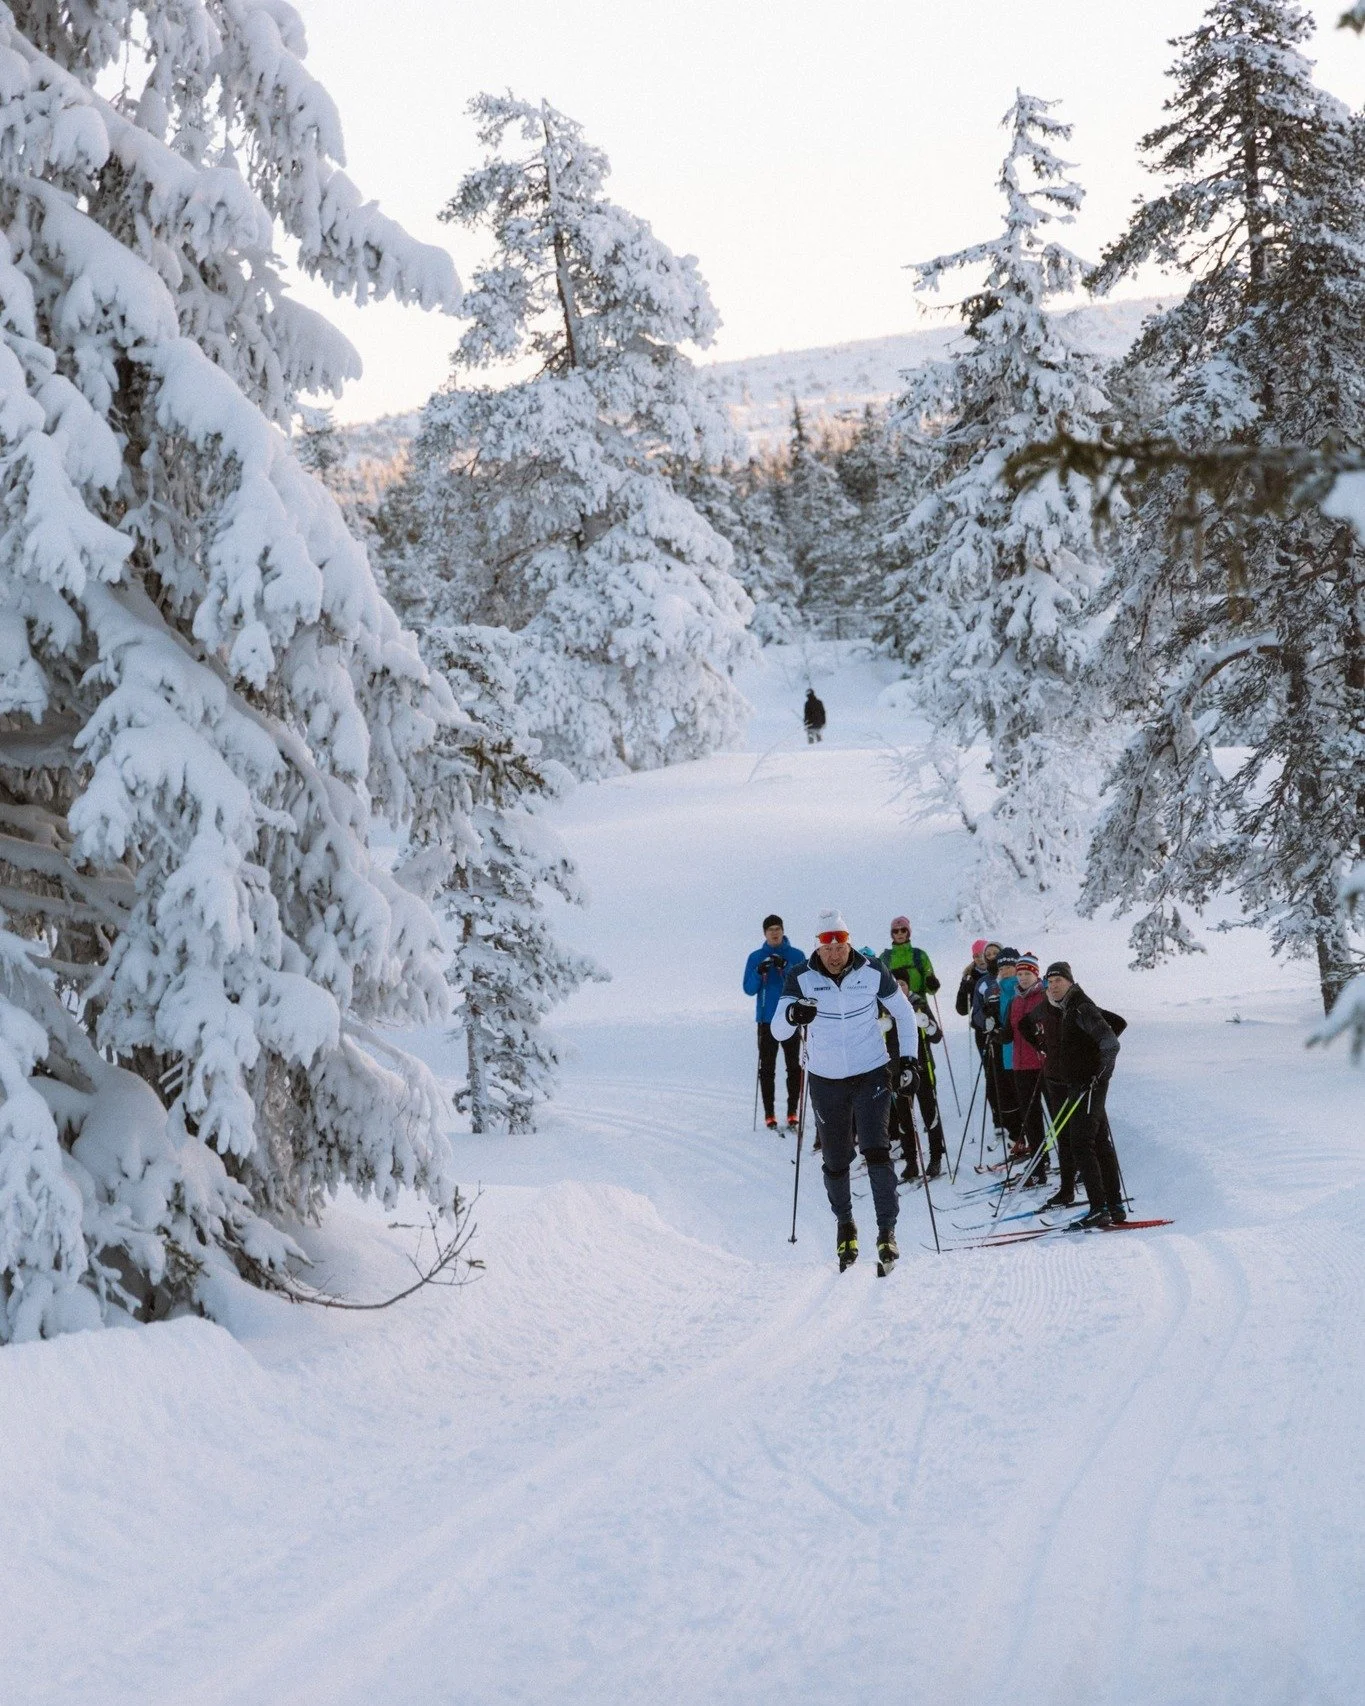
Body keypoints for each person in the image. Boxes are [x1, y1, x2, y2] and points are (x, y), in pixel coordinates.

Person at [772, 909, 920, 1275]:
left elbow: (904, 1014)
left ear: (849, 941)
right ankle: (845, 1225)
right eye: (827, 945)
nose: (835, 953)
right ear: (818, 947)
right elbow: (778, 1030)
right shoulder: (801, 977)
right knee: (837, 1161)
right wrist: (793, 1016)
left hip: (870, 1072)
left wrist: (909, 1061)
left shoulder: (872, 971)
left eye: (840, 943)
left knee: (876, 1150)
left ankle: (887, 1231)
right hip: (825, 1079)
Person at [1018, 960, 1126, 1228]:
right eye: (1050, 982)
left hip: (1088, 1085)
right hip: (1077, 1083)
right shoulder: (1065, 1006)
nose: (1054, 986)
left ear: (1070, 982)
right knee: (1099, 1143)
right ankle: (1114, 1205)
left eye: (1059, 981)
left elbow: (1111, 1043)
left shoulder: (1080, 1006)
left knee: (1081, 1144)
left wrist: (1099, 1075)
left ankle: (1099, 1207)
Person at [743, 914, 807, 1130]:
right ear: (764, 933)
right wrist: (758, 971)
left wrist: (786, 967)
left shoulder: (796, 955)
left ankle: (792, 1112)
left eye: (778, 928)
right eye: (770, 929)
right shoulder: (755, 957)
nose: (774, 932)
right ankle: (769, 1114)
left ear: (783, 930)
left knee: (793, 1067)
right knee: (767, 1068)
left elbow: (804, 984)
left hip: (790, 1019)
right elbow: (749, 989)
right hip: (766, 1020)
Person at [884, 970, 945, 1181]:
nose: (899, 988)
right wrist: (881, 1027)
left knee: (930, 1114)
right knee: (904, 1118)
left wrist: (927, 1024)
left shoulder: (918, 1003)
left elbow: (937, 1036)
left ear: (908, 986)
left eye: (902, 984)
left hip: (921, 1068)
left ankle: (936, 1157)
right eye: (895, 984)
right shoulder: (884, 1007)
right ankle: (911, 1162)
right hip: (896, 1071)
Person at [1001, 952, 1053, 1190]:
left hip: (1045, 1065)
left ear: (1036, 975)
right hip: (1020, 1066)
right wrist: (996, 1033)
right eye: (1019, 974)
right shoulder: (1014, 1000)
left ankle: (1074, 1164)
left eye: (1026, 974)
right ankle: (1039, 1166)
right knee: (1031, 1120)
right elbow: (1008, 1033)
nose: (1022, 978)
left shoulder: (1045, 996)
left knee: (1056, 1115)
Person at [955, 939, 1008, 1134]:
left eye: (982, 954)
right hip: (982, 1030)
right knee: (991, 1072)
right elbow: (961, 1009)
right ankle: (998, 1118)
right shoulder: (971, 976)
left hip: (1003, 1028)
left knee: (1007, 1071)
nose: (981, 959)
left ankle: (1011, 1113)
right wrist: (964, 986)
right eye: (976, 956)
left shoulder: (1004, 972)